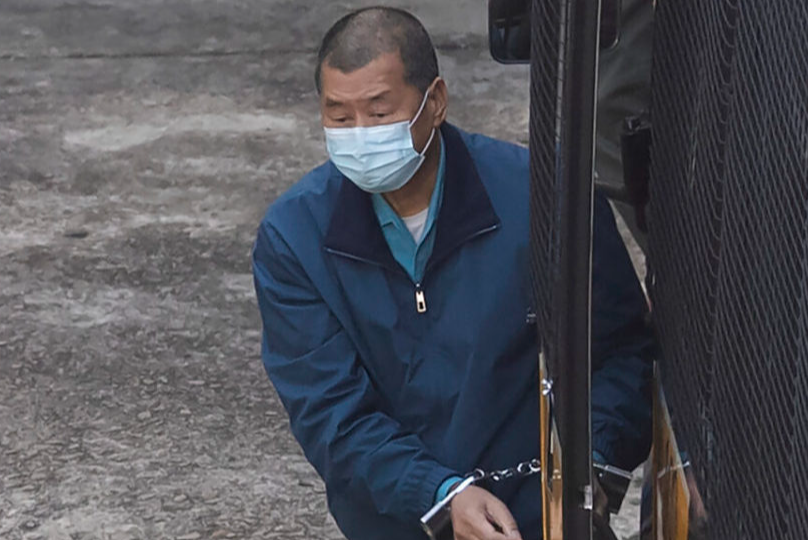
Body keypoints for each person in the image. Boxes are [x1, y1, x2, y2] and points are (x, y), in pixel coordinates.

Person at [252, 7, 653, 540]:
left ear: (435, 101)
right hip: (401, 524)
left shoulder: (544, 197)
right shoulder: (294, 237)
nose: (361, 135)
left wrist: (591, 467)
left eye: (379, 112)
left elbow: (621, 349)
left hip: (544, 522)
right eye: (339, 118)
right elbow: (330, 414)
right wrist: (440, 496)